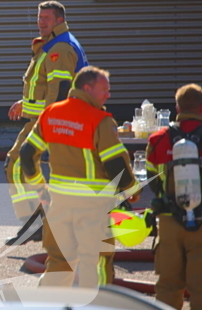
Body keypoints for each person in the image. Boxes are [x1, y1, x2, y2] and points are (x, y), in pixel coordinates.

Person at [19, 66, 138, 288]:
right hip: (93, 209)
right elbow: (115, 165)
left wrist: (39, 188)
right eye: (104, 89)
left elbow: (27, 154)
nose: (108, 95)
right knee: (98, 264)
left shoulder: (51, 113)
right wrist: (132, 191)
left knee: (59, 262)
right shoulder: (100, 120)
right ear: (87, 88)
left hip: (60, 206)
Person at [5, 0, 88, 243]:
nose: (41, 22)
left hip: (50, 122)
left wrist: (51, 127)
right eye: (39, 18)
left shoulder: (59, 49)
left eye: (47, 18)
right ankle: (37, 222)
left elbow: (60, 94)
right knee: (16, 165)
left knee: (18, 166)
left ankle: (38, 222)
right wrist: (24, 103)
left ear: (59, 20)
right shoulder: (53, 45)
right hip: (43, 120)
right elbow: (45, 88)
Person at [147, 83, 202, 310]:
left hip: (169, 222)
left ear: (177, 107)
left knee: (168, 285)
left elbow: (152, 178)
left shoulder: (159, 139)